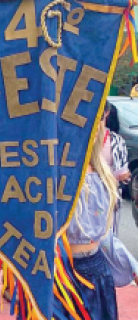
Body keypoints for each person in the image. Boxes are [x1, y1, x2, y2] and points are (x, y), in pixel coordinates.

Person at [52, 112, 138, 320]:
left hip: (97, 274)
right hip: (61, 276)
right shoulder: (53, 172)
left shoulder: (102, 173)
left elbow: (104, 235)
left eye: (99, 118)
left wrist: (133, 266)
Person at [102, 101, 130, 235]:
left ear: (106, 113)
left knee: (108, 241)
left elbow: (124, 175)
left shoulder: (117, 141)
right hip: (84, 199)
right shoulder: (80, 139)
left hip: (109, 199)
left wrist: (124, 176)